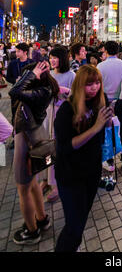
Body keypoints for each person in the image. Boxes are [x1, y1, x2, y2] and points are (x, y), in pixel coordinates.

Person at [54, 65, 113, 252]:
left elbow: (101, 134)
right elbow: (65, 147)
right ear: (80, 85)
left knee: (80, 219)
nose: (94, 88)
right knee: (74, 226)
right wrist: (96, 127)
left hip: (92, 172)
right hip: (70, 175)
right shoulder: (66, 110)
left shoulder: (98, 104)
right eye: (89, 84)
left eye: (97, 83)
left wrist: (108, 121)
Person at [10, 61, 59, 245]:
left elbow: (14, 91)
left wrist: (32, 74)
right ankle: (42, 218)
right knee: (32, 184)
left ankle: (32, 231)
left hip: (26, 140)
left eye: (24, 78)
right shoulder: (43, 90)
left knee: (24, 189)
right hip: (32, 137)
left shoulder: (39, 92)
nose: (20, 81)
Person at [39, 46, 76, 203]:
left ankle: (56, 184)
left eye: (55, 57)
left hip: (62, 116)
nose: (52, 60)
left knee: (58, 148)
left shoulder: (72, 75)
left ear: (63, 58)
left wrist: (64, 92)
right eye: (51, 57)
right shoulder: (49, 74)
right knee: (46, 147)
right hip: (48, 114)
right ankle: (46, 179)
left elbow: (76, 98)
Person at [97, 41, 122, 171]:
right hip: (120, 102)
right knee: (121, 128)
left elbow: (97, 85)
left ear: (105, 50)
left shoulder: (100, 66)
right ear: (118, 51)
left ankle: (109, 160)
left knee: (107, 130)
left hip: (105, 102)